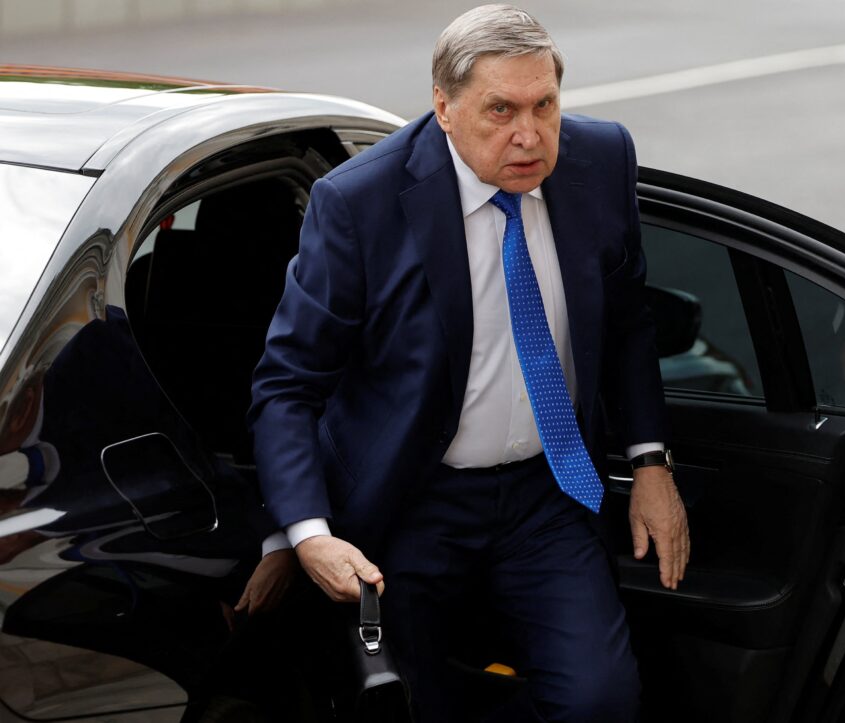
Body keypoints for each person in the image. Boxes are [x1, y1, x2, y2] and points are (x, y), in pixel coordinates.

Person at [248, 5, 689, 721]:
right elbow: (287, 385)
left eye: (545, 105)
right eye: (501, 110)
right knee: (415, 704)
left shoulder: (602, 159)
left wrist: (650, 462)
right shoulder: (360, 204)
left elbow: (627, 320)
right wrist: (308, 534)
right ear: (444, 107)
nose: (529, 134)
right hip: (410, 500)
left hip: (548, 494)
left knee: (600, 702)